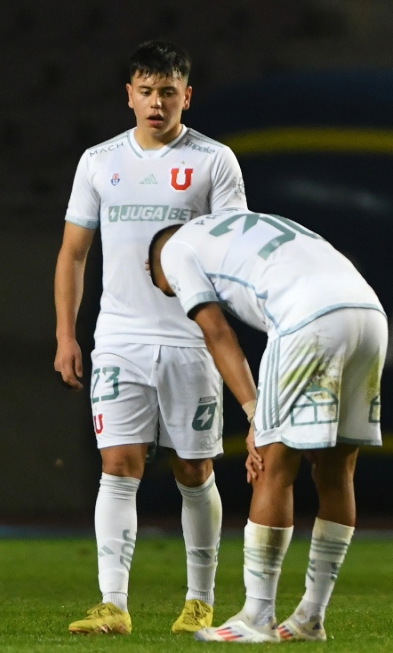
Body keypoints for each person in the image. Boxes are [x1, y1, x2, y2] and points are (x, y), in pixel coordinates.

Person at [54, 40, 249, 635]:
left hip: (192, 341)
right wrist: (67, 334)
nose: (156, 102)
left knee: (194, 471)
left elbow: (236, 249)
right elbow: (72, 254)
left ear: (186, 96)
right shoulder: (99, 162)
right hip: (119, 338)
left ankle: (199, 600)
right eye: (146, 90)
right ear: (130, 95)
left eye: (168, 91)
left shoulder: (216, 162)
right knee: (119, 465)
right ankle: (113, 603)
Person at [148, 210, 387, 642]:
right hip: (369, 314)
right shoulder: (246, 225)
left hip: (307, 319)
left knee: (274, 466)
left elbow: (217, 333)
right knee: (336, 471)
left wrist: (255, 412)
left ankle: (257, 616)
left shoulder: (176, 250)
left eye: (168, 292)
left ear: (154, 266)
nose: (174, 298)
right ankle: (310, 617)